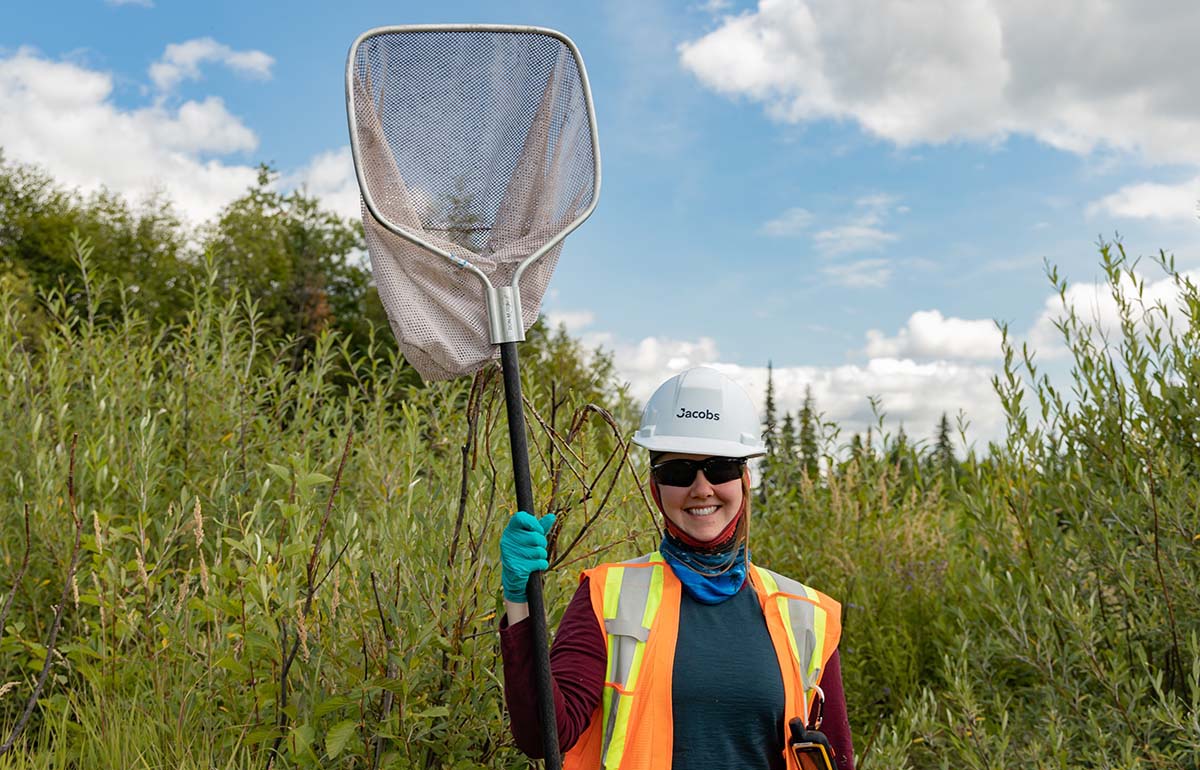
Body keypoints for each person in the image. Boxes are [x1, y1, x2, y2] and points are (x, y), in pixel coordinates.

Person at [500, 367, 854, 769]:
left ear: (744, 480)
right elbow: (541, 734)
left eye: (719, 467)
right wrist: (519, 600)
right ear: (655, 488)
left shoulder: (808, 614)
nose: (701, 487)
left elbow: (838, 759)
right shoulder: (607, 595)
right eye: (678, 472)